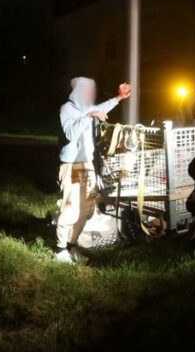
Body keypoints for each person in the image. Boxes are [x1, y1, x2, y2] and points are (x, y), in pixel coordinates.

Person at [55, 77, 131, 264]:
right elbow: (71, 133)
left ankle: (71, 246)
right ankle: (59, 250)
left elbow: (102, 108)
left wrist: (119, 98)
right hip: (72, 165)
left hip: (88, 165)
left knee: (87, 210)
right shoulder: (67, 109)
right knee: (71, 209)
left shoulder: (87, 108)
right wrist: (90, 116)